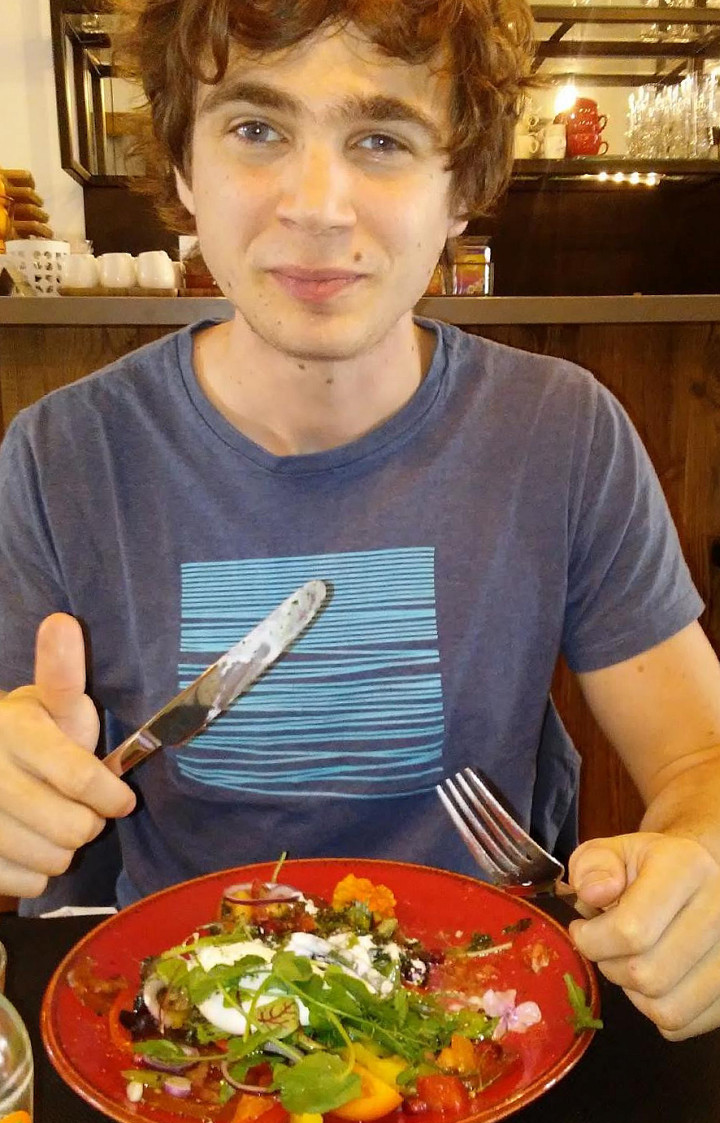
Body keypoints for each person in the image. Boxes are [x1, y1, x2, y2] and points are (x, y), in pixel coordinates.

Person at [1, 0, 720, 1042]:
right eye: (257, 128)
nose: (317, 205)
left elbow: (699, 757)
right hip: (179, 1036)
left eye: (381, 139)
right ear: (185, 167)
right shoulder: (61, 454)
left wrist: (700, 861)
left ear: (461, 188)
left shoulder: (559, 430)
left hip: (484, 1019)